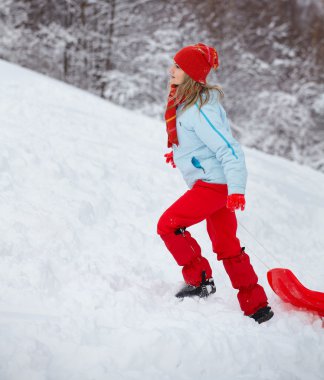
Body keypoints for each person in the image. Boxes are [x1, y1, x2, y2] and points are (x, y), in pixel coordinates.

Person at [157, 43, 274, 324]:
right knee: (227, 244)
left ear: (192, 74)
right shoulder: (190, 105)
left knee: (168, 225)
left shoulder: (200, 109)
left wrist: (236, 191)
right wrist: (181, 154)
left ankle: (200, 281)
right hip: (212, 181)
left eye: (177, 67)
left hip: (213, 185)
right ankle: (256, 305)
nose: (171, 70)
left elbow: (228, 149)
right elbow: (202, 144)